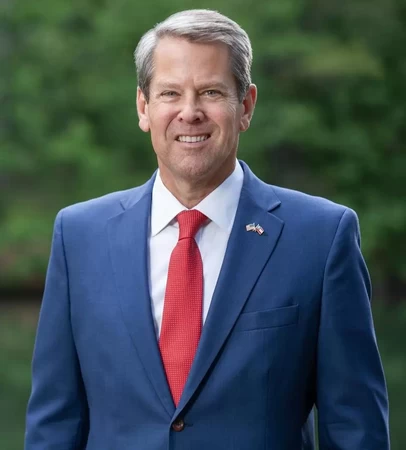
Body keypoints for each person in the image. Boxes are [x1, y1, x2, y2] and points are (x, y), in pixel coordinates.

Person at [25, 9, 390, 450]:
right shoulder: (79, 236)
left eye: (211, 92)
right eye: (170, 93)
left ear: (246, 106)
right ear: (143, 107)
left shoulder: (321, 237)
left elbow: (356, 430)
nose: (190, 112)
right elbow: (54, 425)